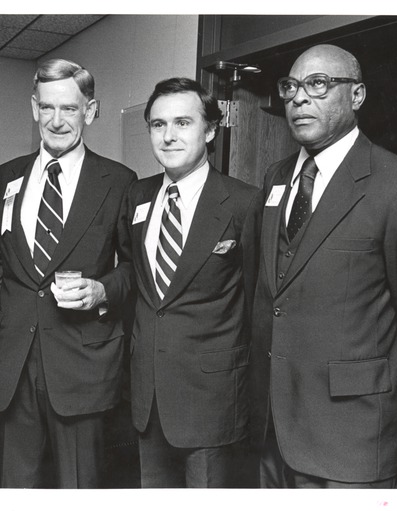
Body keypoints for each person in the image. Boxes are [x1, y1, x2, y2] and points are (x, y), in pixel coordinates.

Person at [249, 44, 397, 488]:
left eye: (318, 84)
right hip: (273, 432)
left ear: (357, 95)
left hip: (352, 435)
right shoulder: (276, 177)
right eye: (290, 86)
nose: (298, 98)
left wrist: (381, 399)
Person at [0, 58, 136, 489]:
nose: (57, 121)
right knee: (16, 486)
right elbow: (2, 261)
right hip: (15, 365)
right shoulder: (7, 175)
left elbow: (134, 269)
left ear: (89, 111)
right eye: (48, 108)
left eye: (69, 109)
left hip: (82, 365)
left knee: (79, 486)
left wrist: (99, 290)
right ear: (34, 107)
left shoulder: (120, 181)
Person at [125, 77, 261, 487]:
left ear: (211, 130)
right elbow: (138, 283)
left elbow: (258, 298)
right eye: (158, 124)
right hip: (148, 396)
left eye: (183, 123)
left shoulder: (244, 202)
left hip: (213, 397)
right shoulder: (137, 196)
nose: (168, 136)